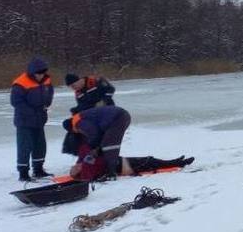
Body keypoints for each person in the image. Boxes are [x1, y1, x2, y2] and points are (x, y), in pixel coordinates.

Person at [64, 135, 194, 182]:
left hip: (121, 160)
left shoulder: (82, 162)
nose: (75, 166)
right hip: (124, 167)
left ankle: (177, 161)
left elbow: (86, 152)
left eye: (73, 167)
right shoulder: (87, 171)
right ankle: (179, 163)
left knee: (150, 160)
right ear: (79, 173)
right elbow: (89, 178)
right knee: (150, 162)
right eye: (75, 169)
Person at [10, 57, 54, 180]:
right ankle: (23, 173)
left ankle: (38, 169)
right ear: (32, 72)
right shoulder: (20, 83)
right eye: (38, 73)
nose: (40, 76)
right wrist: (33, 111)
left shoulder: (47, 80)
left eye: (42, 73)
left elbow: (50, 93)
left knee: (40, 145)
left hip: (40, 119)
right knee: (25, 146)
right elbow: (16, 102)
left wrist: (46, 104)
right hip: (24, 121)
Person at [62, 105, 131, 178]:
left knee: (109, 147)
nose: (74, 167)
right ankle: (112, 170)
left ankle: (111, 173)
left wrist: (93, 146)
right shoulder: (80, 117)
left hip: (117, 118)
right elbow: (96, 133)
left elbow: (94, 133)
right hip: (119, 116)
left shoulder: (78, 123)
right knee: (108, 145)